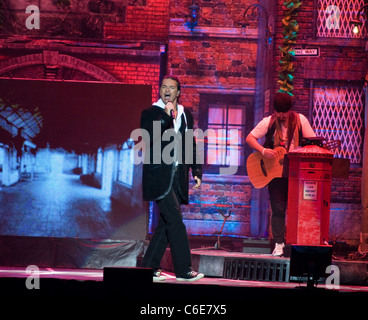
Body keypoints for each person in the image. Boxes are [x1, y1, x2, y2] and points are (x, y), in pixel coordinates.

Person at [140, 75, 204, 281]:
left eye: (172, 88)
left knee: (165, 223)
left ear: (178, 92)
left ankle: (148, 268)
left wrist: (196, 170)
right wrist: (166, 115)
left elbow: (190, 144)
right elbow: (151, 136)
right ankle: (184, 270)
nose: (167, 90)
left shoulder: (186, 115)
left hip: (178, 175)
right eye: (164, 87)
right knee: (175, 221)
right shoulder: (150, 113)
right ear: (160, 91)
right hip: (159, 175)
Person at [245, 92, 316, 256]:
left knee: (298, 209)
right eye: (279, 112)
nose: (282, 115)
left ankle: (296, 243)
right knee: (277, 209)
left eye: (285, 112)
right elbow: (250, 138)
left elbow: (313, 142)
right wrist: (263, 151)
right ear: (275, 111)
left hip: (295, 173)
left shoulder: (300, 120)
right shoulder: (268, 122)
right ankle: (278, 243)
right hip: (275, 174)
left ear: (290, 110)